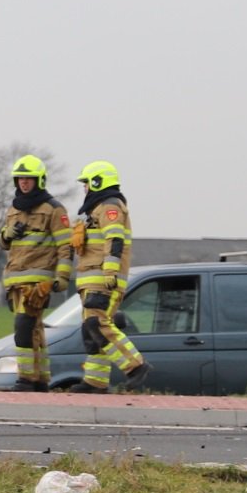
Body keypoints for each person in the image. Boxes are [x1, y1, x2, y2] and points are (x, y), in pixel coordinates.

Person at [71, 160, 151, 394]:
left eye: (86, 183)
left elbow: (114, 239)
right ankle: (95, 381)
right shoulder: (96, 209)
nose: (84, 188)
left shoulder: (109, 206)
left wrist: (110, 272)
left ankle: (136, 365)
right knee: (90, 328)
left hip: (103, 279)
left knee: (98, 322)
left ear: (97, 182)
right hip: (91, 278)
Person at [0, 154, 73, 392]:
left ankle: (26, 379)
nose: (24, 183)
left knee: (23, 327)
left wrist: (62, 277)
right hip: (15, 281)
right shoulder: (13, 209)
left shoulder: (53, 209)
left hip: (38, 282)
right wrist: (8, 234)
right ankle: (41, 380)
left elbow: (65, 246)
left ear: (39, 180)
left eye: (29, 179)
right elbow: (3, 242)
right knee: (35, 330)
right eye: (20, 179)